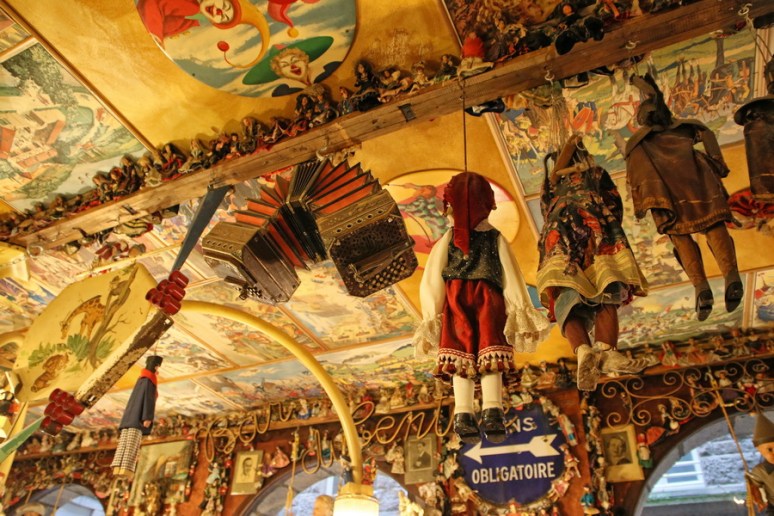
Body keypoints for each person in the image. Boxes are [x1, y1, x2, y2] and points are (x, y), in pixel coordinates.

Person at [414, 171, 549, 444]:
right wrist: (518, 306)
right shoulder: (492, 237)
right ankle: (488, 411)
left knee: (461, 354)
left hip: (458, 301)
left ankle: (468, 413)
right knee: (489, 353)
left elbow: (432, 279)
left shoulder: (450, 239)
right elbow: (511, 275)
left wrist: (432, 312)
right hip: (488, 300)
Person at [625, 74, 742, 322]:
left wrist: (642, 204)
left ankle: (700, 286)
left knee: (680, 236)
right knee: (714, 225)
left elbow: (635, 176)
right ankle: (731, 274)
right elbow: (707, 133)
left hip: (667, 193)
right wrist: (718, 163)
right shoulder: (686, 126)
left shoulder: (638, 141)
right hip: (698, 179)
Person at [537, 135, 650, 391]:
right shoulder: (594, 173)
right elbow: (613, 202)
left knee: (568, 295)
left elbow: (545, 209)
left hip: (558, 235)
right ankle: (605, 349)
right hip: (594, 227)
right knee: (605, 286)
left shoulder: (551, 183)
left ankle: (583, 350)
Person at [112, 355, 163, 478]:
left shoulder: (141, 379)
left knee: (124, 442)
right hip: (138, 417)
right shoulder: (150, 380)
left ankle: (117, 467)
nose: (158, 370)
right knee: (132, 444)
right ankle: (126, 469)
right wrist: (147, 417)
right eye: (157, 367)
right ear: (155, 367)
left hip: (129, 417)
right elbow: (149, 400)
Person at [747, 413, 774, 515]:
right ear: (760, 450)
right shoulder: (759, 471)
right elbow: (756, 488)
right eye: (769, 449)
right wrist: (755, 497)